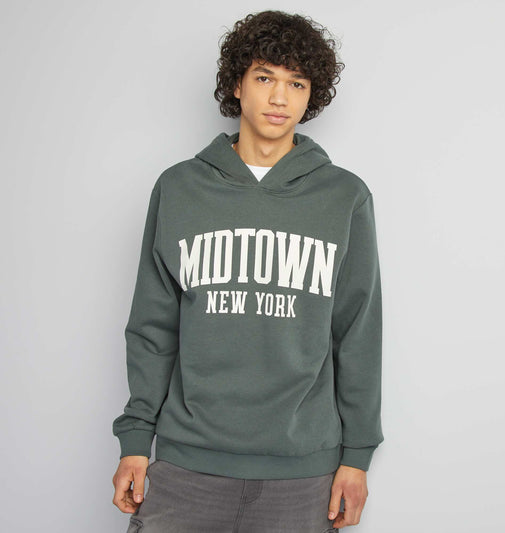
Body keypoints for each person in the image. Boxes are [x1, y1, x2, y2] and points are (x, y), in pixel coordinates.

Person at [111, 9, 384, 532]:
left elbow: (357, 333)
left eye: (296, 83)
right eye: (264, 78)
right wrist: (136, 440)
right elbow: (152, 326)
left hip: (303, 474)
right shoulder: (180, 189)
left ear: (311, 95)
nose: (279, 97)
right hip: (185, 466)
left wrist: (357, 456)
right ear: (237, 85)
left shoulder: (344, 197)